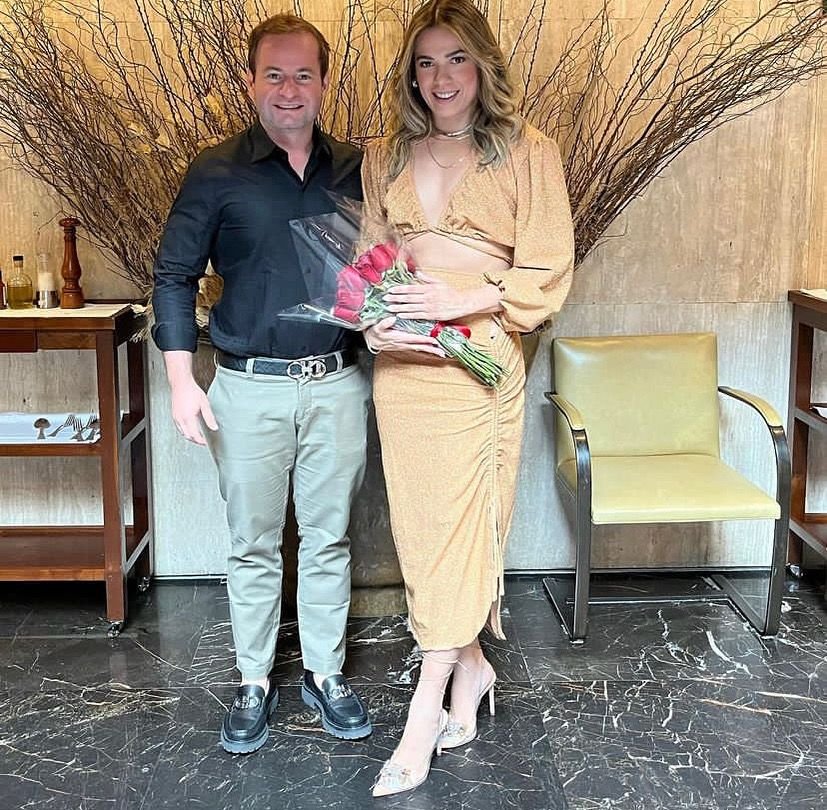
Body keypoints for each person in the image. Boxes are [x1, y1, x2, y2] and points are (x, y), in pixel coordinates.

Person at [361, 0, 574, 796]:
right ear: (411, 75)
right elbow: (370, 259)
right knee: (422, 535)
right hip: (403, 368)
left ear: (481, 65)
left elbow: (547, 266)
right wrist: (373, 325)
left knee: (460, 523)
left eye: (455, 59)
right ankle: (472, 667)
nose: (441, 77)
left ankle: (424, 711)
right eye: (425, 62)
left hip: (478, 363)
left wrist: (465, 298)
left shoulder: (529, 151)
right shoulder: (384, 154)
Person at [151, 14, 372, 754]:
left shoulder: (357, 170)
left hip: (337, 384)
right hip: (246, 389)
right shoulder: (216, 170)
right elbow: (174, 275)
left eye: (303, 74)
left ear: (324, 83)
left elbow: (383, 267)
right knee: (252, 544)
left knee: (329, 538)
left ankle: (325, 674)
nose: (288, 89)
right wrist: (183, 382)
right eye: (274, 74)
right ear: (250, 82)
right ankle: (253, 681)